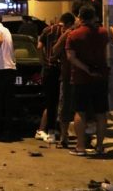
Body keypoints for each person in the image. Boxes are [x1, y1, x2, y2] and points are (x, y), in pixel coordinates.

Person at [66, 4, 109, 156]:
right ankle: (100, 146)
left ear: (80, 17)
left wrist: (86, 69)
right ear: (94, 17)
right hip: (101, 77)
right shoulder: (104, 33)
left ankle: (80, 147)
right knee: (101, 113)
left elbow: (71, 57)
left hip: (81, 78)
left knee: (80, 112)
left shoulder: (74, 35)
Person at [35, 13, 76, 143]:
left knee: (51, 102)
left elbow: (39, 47)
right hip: (60, 69)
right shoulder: (69, 32)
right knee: (60, 101)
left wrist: (43, 61)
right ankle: (53, 131)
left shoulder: (48, 30)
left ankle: (51, 131)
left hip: (49, 70)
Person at [51, 12, 77, 148]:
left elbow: (55, 50)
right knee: (80, 107)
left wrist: (63, 34)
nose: (59, 28)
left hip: (68, 75)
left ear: (67, 24)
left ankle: (64, 137)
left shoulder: (68, 33)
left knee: (65, 107)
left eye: (61, 25)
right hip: (84, 75)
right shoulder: (84, 31)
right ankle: (82, 137)